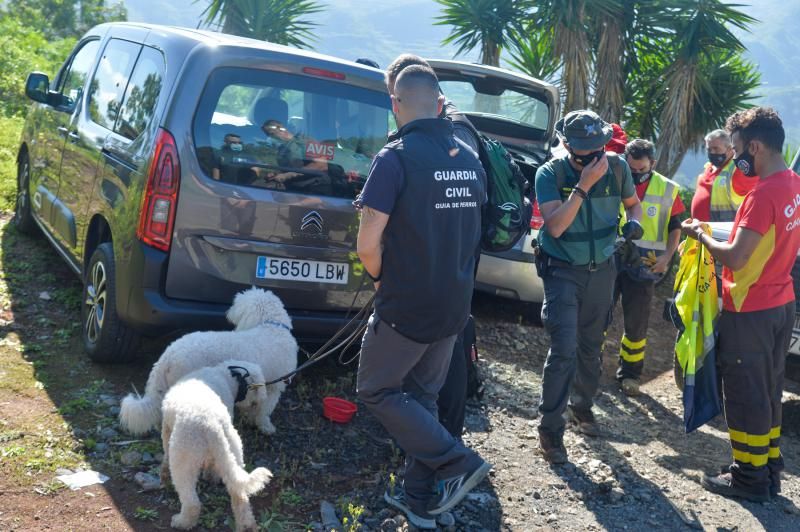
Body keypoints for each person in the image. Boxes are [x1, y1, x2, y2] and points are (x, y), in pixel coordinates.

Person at [355, 64, 491, 529]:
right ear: (439, 104)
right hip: (454, 304)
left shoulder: (394, 158)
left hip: (407, 305)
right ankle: (419, 499)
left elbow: (367, 244)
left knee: (375, 387)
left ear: (396, 105)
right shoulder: (469, 159)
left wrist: (378, 279)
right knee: (423, 395)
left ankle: (458, 462)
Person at [682, 107, 800, 502]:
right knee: (768, 389)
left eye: (735, 150)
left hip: (749, 307)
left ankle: (747, 480)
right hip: (782, 302)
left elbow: (735, 257)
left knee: (746, 394)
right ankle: (768, 468)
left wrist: (699, 236)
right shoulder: (793, 185)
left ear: (754, 146)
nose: (734, 158)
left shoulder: (762, 193)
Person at [383, 53, 483, 439]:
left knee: (446, 348)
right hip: (457, 249)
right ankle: (433, 436)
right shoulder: (456, 125)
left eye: (396, 98)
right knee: (444, 343)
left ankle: (444, 438)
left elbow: (436, 191)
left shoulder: (447, 130)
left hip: (447, 251)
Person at [534, 110, 642, 464]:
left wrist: (633, 227)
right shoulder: (550, 173)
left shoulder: (618, 166)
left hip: (602, 271)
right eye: (584, 150)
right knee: (564, 347)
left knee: (591, 345)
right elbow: (556, 228)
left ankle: (581, 406)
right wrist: (584, 187)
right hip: (562, 270)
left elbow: (633, 205)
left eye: (599, 148)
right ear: (566, 145)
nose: (594, 156)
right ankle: (550, 430)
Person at [614, 139, 685, 396]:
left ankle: (630, 375)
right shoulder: (614, 178)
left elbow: (675, 226)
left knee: (637, 323)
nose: (635, 174)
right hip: (611, 258)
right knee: (598, 314)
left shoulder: (667, 189)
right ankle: (590, 366)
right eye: (631, 169)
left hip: (646, 265)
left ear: (652, 164)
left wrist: (667, 258)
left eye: (640, 169)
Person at [691, 129, 759, 221]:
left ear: (730, 149)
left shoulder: (738, 170)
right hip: (700, 231)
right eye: (709, 149)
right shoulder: (708, 168)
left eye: (716, 148)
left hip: (722, 232)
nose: (712, 153)